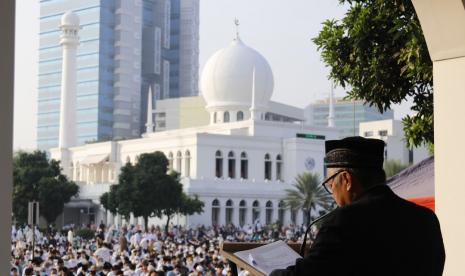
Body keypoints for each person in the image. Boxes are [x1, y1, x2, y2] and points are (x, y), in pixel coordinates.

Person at [270, 136, 445, 276]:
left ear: (346, 180)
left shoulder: (343, 222)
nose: (332, 194)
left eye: (331, 185)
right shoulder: (426, 219)